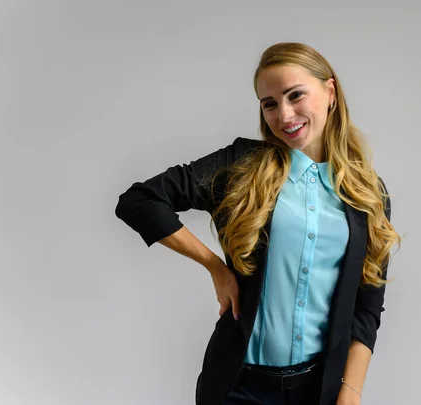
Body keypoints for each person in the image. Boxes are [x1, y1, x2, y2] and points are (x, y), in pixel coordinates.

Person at [115, 42, 401, 405]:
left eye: (295, 95)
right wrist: (215, 268)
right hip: (238, 389)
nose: (284, 115)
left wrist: (350, 391)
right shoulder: (242, 166)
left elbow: (368, 304)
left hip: (319, 392)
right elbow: (140, 201)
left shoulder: (368, 193)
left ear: (330, 92)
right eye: (270, 104)